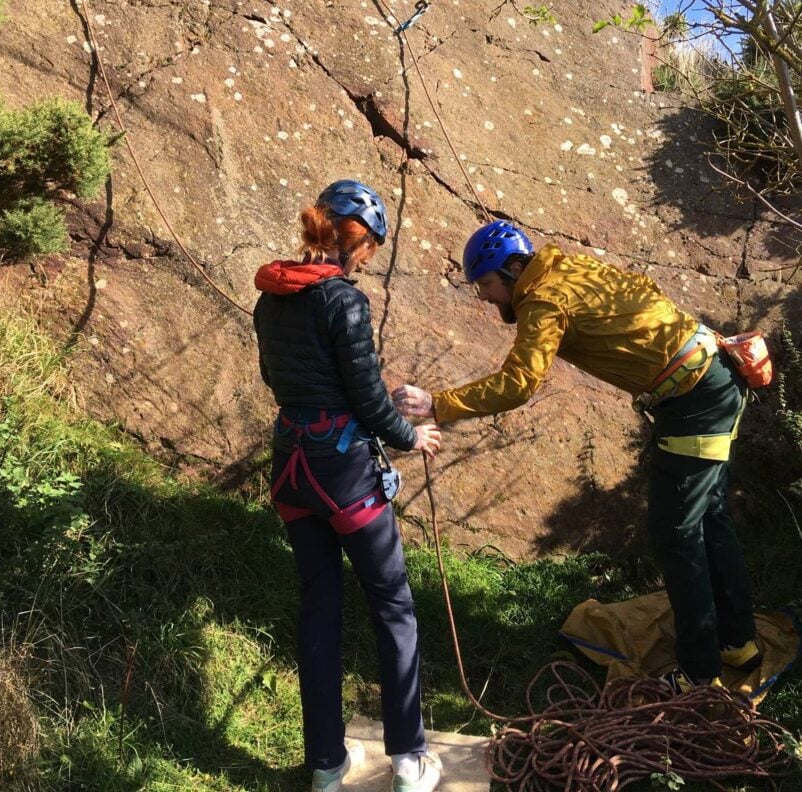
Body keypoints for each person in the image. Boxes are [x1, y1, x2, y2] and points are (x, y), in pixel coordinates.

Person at [393, 220, 761, 693]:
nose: (482, 297)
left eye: (485, 284)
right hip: (714, 377)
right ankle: (737, 643)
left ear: (512, 268)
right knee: (708, 518)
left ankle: (698, 675)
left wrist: (438, 405)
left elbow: (519, 383)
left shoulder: (544, 300)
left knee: (678, 533)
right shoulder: (568, 266)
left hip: (694, 402)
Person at [253, 180, 444, 792]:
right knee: (392, 605)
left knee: (320, 606)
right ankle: (410, 762)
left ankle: (327, 766)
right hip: (344, 476)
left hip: (290, 468)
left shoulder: (271, 295)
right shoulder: (343, 301)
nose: (368, 262)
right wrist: (410, 437)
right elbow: (364, 395)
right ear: (358, 241)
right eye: (371, 251)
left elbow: (275, 377)